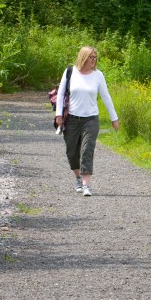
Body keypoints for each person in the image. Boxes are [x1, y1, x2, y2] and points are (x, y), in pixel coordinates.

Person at [55, 46, 119, 197]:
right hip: (71, 119)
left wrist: (114, 118)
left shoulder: (98, 75)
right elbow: (60, 93)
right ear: (83, 57)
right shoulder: (70, 72)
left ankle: (86, 185)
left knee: (87, 150)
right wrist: (58, 114)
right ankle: (78, 178)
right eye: (91, 57)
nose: (94, 60)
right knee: (72, 153)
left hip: (90, 119)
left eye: (95, 57)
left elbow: (106, 97)